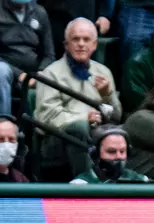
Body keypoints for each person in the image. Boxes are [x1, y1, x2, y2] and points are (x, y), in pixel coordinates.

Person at [33, 17, 120, 177]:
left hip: (97, 136)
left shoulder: (103, 72)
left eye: (86, 40)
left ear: (94, 45)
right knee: (79, 128)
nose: (81, 44)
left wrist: (106, 95)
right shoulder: (51, 73)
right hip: (58, 140)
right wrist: (83, 118)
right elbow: (45, 118)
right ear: (66, 44)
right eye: (75, 39)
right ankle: (87, 183)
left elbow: (116, 117)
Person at [72, 125, 151, 183]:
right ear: (95, 154)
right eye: (111, 151)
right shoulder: (80, 185)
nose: (119, 156)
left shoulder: (140, 180)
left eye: (122, 151)